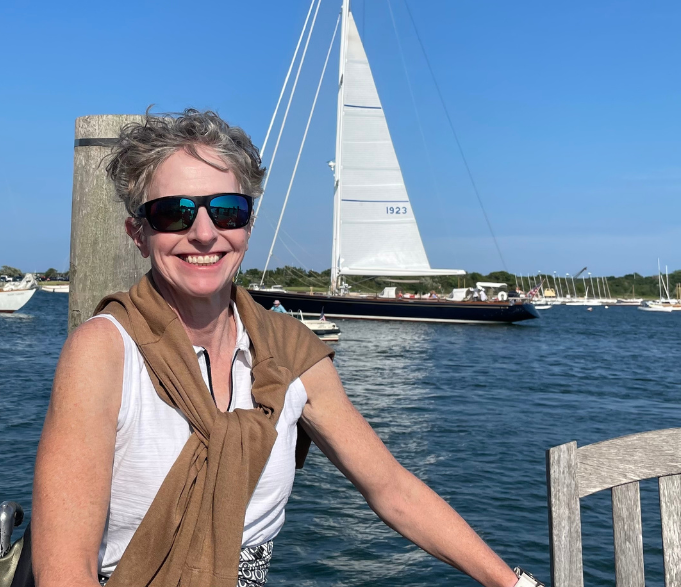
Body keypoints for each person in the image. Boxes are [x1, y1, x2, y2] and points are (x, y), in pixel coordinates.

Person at [32, 110, 527, 587]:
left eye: (227, 210)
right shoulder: (103, 352)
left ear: (247, 226)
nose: (204, 233)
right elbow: (63, 572)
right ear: (138, 235)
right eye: (173, 214)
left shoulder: (291, 354)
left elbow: (391, 488)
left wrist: (512, 583)